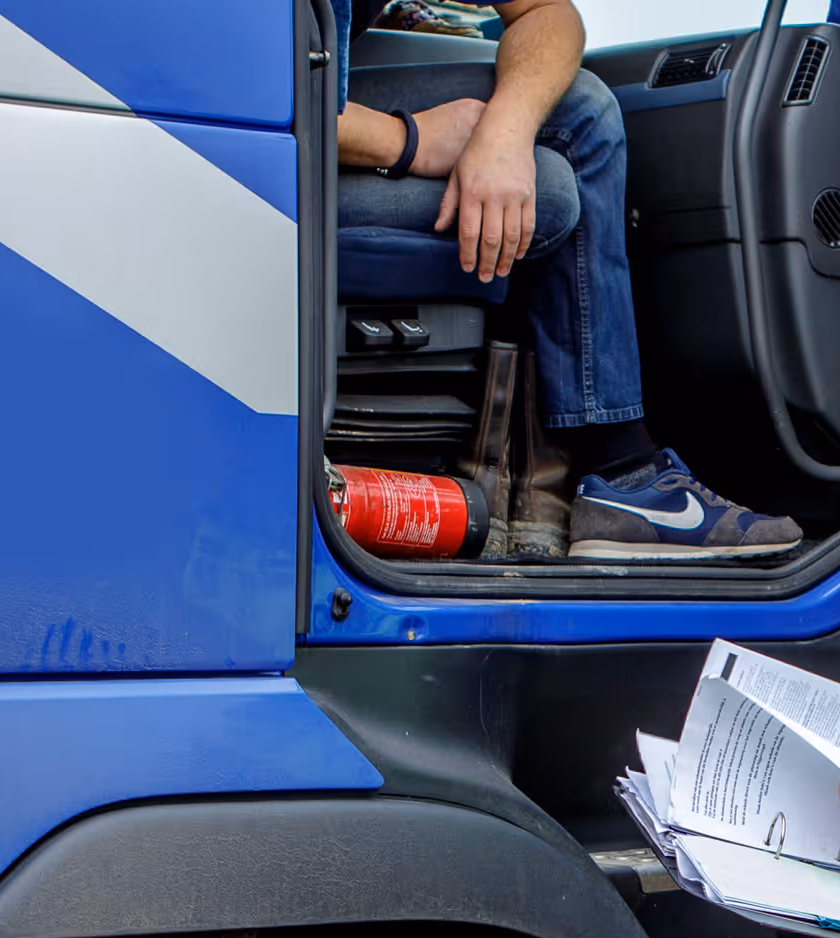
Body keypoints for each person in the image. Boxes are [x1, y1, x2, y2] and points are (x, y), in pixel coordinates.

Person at [331, 0, 803, 559]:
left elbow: (545, 11)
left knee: (580, 110)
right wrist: (406, 140)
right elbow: (225, 87)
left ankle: (619, 481)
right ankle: (611, 466)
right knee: (550, 188)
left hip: (322, 100)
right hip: (254, 162)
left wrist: (504, 135)